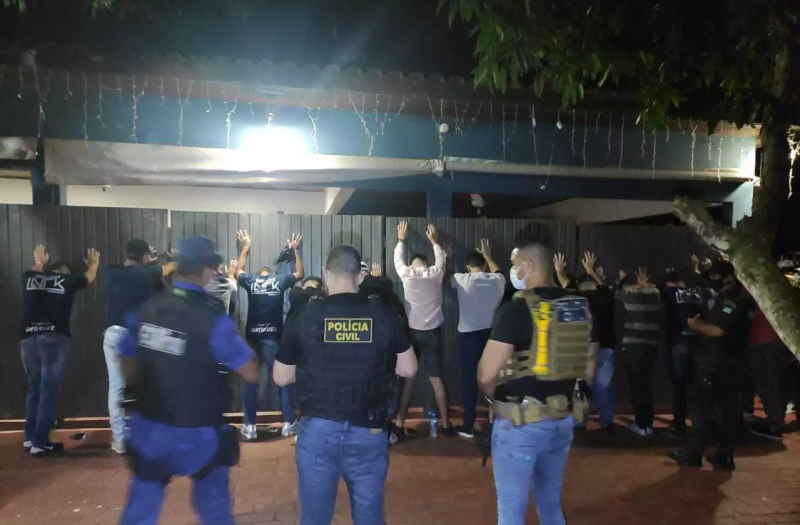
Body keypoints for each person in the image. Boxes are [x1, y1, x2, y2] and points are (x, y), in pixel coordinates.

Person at [117, 236, 258, 525]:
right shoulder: (211, 317)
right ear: (205, 270)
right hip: (200, 433)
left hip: (150, 428)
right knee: (215, 512)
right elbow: (250, 371)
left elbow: (128, 359)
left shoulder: (148, 307)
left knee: (140, 510)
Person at [273, 245, 418, 525]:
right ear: (360, 276)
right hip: (369, 430)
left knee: (314, 519)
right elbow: (409, 368)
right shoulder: (382, 313)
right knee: (369, 517)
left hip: (318, 430)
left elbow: (281, 376)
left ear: (326, 273)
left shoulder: (306, 314)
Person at [479, 240, 595, 525]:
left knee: (511, 510)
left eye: (514, 265)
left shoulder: (516, 309)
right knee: (550, 502)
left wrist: (492, 400)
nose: (513, 271)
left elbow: (486, 374)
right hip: (563, 419)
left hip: (520, 422)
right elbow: (589, 371)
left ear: (529, 266)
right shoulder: (579, 308)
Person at [669, 260, 752, 471]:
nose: (713, 281)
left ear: (728, 277)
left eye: (716, 277)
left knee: (702, 409)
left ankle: (694, 453)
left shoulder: (732, 300)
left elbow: (718, 330)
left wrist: (696, 325)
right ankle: (723, 455)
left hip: (716, 363)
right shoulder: (735, 297)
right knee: (726, 410)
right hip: (727, 363)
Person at [20, 245, 99, 457]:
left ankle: (30, 437)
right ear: (66, 273)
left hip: (28, 339)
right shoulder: (68, 280)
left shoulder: (29, 277)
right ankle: (40, 442)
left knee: (34, 388)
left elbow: (35, 271)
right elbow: (88, 279)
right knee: (48, 391)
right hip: (53, 339)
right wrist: (93, 265)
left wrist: (40, 262)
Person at [104, 239, 177, 454]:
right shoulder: (147, 272)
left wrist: (149, 262)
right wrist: (163, 261)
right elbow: (171, 267)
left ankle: (120, 440)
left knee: (116, 387)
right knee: (151, 383)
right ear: (144, 257)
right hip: (137, 334)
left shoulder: (111, 272)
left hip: (112, 333)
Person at [234, 229, 304, 440]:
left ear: (258, 273)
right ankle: (288, 423)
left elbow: (237, 271)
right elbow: (300, 274)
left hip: (253, 340)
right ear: (269, 273)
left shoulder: (251, 280)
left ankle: (250, 426)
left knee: (250, 381)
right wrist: (295, 251)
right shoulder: (279, 280)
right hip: (273, 339)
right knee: (283, 381)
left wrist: (245, 248)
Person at [393, 221, 454, 436]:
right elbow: (441, 260)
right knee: (436, 379)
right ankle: (446, 425)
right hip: (433, 333)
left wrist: (401, 240)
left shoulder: (406, 273)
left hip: (412, 334)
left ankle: (399, 424)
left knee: (409, 378)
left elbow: (397, 259)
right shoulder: (435, 273)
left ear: (412, 264)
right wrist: (434, 241)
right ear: (426, 264)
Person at [450, 239, 505, 438]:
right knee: (493, 377)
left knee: (469, 380)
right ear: (484, 265)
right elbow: (499, 271)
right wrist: (488, 255)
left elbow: (447, 276)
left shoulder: (462, 279)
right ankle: (497, 420)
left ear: (468, 267)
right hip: (491, 335)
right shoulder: (496, 280)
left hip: (468, 336)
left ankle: (468, 425)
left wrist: (449, 257)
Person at [615, 268, 664, 437]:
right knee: (647, 386)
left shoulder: (627, 295)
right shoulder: (655, 295)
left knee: (636, 386)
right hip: (651, 345)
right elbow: (652, 288)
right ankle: (647, 423)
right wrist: (642, 285)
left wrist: (623, 281)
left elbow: (618, 293)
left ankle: (641, 424)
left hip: (633, 346)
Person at [573, 251, 617, 431]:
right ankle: (607, 422)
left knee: (584, 386)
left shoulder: (578, 299)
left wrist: (559, 271)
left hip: (585, 349)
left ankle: (580, 422)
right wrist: (591, 271)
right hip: (606, 348)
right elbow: (604, 288)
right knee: (604, 387)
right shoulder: (605, 297)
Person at [661, 269, 703, 438]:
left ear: (668, 283)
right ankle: (700, 424)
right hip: (697, 343)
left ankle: (679, 426)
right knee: (697, 386)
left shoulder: (669, 293)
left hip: (678, 342)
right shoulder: (694, 293)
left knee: (679, 387)